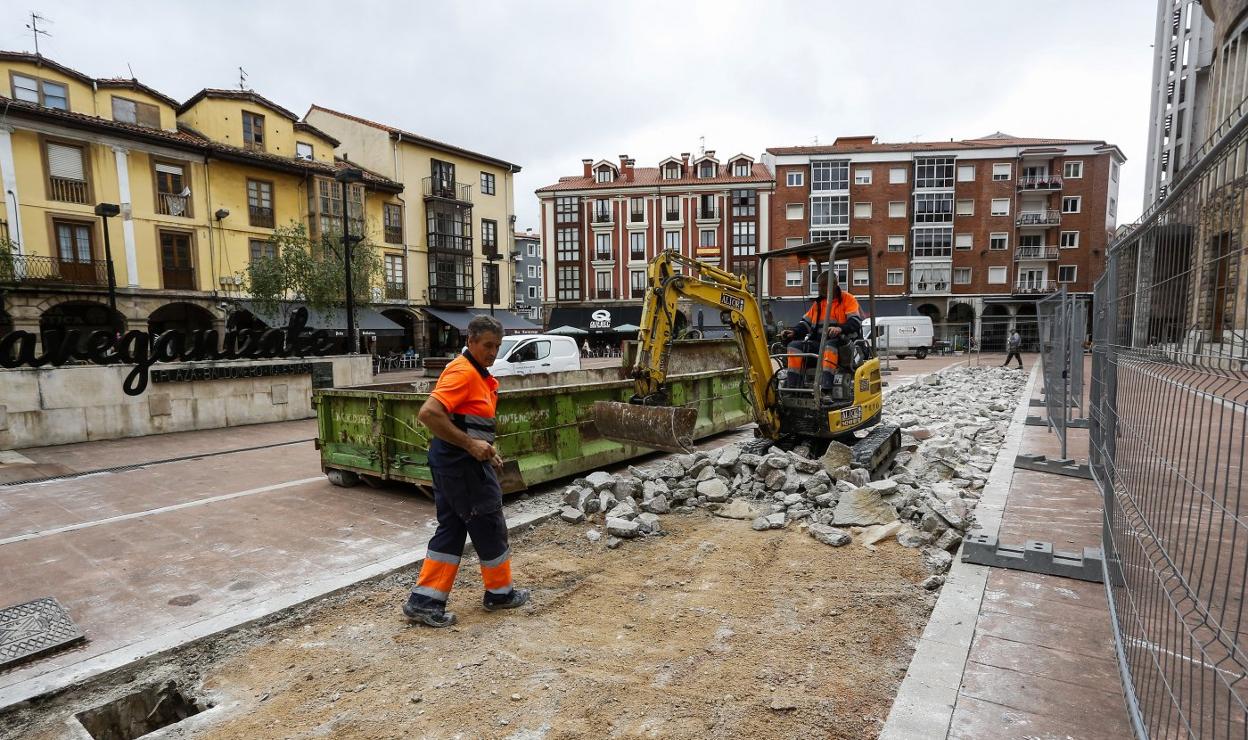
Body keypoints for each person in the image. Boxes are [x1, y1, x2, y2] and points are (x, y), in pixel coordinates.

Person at [402, 315, 529, 627]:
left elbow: (466, 421)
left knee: (453, 528)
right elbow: (429, 414)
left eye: (497, 346)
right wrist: (472, 447)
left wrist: (485, 450)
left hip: (454, 463)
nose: (493, 352)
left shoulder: (476, 373)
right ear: (470, 341)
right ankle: (500, 594)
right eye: (487, 345)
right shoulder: (463, 371)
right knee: (488, 522)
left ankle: (425, 601)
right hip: (461, 466)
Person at [782, 270, 863, 388]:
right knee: (794, 346)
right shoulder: (818, 304)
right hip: (819, 344)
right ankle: (793, 387)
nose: (819, 288)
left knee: (829, 346)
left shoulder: (848, 299)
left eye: (823, 285)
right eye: (818, 285)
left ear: (834, 284)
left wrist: (840, 329)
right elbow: (805, 323)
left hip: (843, 344)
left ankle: (826, 389)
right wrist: (794, 331)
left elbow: (855, 322)